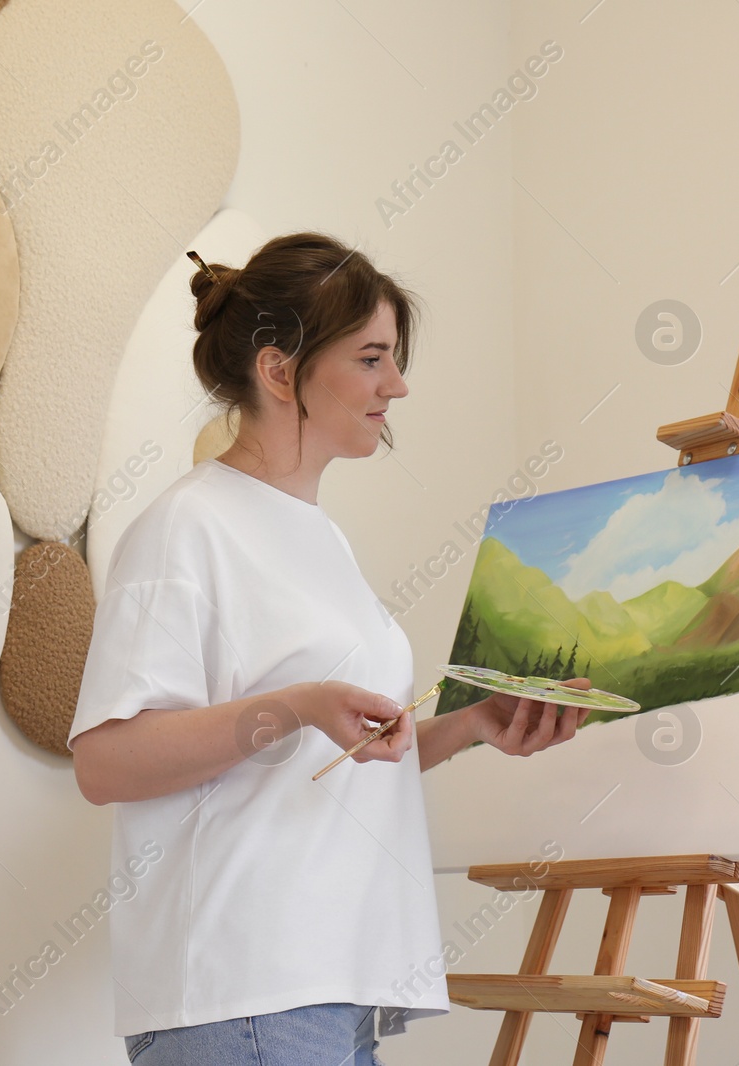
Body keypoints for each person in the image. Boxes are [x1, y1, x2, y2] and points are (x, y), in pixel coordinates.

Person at [68, 231, 593, 1065]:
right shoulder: (188, 528)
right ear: (280, 371)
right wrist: (297, 704)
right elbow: (106, 762)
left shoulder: (319, 540)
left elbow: (336, 760)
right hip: (246, 994)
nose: (399, 385)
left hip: (331, 989)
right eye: (373, 358)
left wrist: (473, 721)